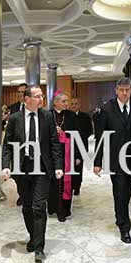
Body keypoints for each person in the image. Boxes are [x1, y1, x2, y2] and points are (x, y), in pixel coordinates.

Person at [1, 85, 63, 263]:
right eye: (37, 96)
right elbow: (7, 145)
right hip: (22, 167)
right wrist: (5, 165)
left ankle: (39, 248)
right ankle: (33, 237)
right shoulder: (15, 119)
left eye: (41, 96)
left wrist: (58, 165)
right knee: (27, 206)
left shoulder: (47, 116)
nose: (41, 99)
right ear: (26, 99)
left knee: (39, 206)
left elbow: (54, 143)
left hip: (42, 166)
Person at [94, 77, 131, 244]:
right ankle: (124, 227)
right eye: (121, 90)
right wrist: (97, 161)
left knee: (128, 192)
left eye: (127, 90)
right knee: (120, 194)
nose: (124, 93)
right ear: (116, 90)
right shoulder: (106, 108)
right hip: (116, 160)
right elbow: (100, 137)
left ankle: (121, 218)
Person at [47, 90, 76, 222]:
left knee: (66, 182)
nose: (66, 104)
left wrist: (64, 132)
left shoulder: (71, 116)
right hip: (52, 154)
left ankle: (63, 210)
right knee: (53, 182)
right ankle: (53, 207)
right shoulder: (47, 115)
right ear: (56, 102)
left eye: (66, 101)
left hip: (67, 153)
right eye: (63, 101)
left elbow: (77, 134)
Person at [69, 97, 92, 196]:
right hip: (69, 146)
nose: (74, 106)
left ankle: (77, 186)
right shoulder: (66, 116)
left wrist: (79, 135)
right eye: (72, 104)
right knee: (69, 167)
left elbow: (89, 131)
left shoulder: (85, 117)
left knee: (78, 167)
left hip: (81, 146)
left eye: (76, 104)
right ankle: (70, 186)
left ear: (79, 105)